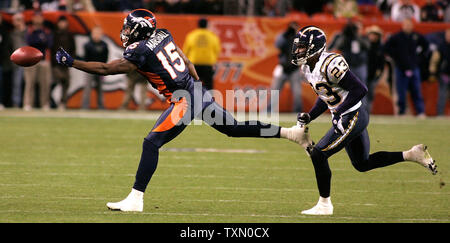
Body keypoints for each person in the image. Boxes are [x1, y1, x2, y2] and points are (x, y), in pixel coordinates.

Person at [56, 9, 311, 212]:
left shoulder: (139, 50)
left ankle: (136, 198)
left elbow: (105, 69)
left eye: (129, 27)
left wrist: (72, 62)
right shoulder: (163, 33)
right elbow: (185, 58)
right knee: (233, 128)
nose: (125, 31)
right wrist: (196, 82)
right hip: (195, 92)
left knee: (151, 143)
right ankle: (291, 134)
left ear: (139, 30)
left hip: (184, 101)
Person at [291, 26, 437, 215]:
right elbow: (326, 96)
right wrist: (310, 115)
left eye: (302, 47)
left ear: (314, 47)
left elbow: (360, 89)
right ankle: (411, 155)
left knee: (319, 154)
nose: (298, 51)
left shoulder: (330, 63)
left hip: (354, 115)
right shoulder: (308, 67)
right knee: (362, 164)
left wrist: (340, 113)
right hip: (348, 115)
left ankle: (324, 204)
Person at [384, 18, 428, 117]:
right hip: (401, 68)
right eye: (406, 25)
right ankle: (402, 111)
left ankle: (420, 112)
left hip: (414, 68)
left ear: (412, 26)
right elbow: (387, 48)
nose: (408, 27)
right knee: (401, 92)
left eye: (409, 25)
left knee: (416, 91)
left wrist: (419, 58)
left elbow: (426, 47)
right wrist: (396, 56)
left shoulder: (416, 36)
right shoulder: (397, 37)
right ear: (403, 25)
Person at [23, 10, 53, 111]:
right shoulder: (30, 30)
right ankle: (27, 103)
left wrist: (38, 41)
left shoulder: (47, 31)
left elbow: (49, 44)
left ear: (42, 19)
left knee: (45, 84)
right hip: (30, 60)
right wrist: (40, 41)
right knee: (29, 83)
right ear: (33, 18)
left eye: (40, 17)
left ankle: (45, 104)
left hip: (44, 60)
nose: (38, 19)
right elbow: (29, 42)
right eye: (36, 17)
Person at [270, 21, 303, 113]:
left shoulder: (300, 38)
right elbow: (278, 45)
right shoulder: (283, 36)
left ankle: (297, 112)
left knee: (297, 94)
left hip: (294, 69)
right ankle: (269, 111)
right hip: (282, 68)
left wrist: (295, 37)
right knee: (274, 92)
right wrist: (286, 35)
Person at [182, 18, 221, 90]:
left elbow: (186, 51)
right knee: (209, 86)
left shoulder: (192, 35)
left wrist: (186, 64)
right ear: (207, 25)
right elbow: (217, 50)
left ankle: (194, 100)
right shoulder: (213, 36)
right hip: (208, 64)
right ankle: (210, 100)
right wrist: (213, 61)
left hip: (194, 64)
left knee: (194, 85)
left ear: (198, 25)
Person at [51, 15, 75, 111]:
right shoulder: (55, 34)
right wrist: (54, 61)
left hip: (66, 64)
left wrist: (71, 61)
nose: (62, 24)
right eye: (61, 22)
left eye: (64, 22)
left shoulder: (70, 35)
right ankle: (50, 101)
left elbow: (73, 49)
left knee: (66, 83)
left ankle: (62, 102)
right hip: (56, 64)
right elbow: (51, 49)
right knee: (57, 80)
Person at [81, 26, 108, 110]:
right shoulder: (88, 45)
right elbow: (86, 58)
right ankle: (85, 106)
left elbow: (105, 58)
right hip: (89, 69)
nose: (96, 35)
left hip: (100, 69)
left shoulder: (104, 45)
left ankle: (101, 106)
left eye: (98, 33)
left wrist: (104, 70)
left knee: (100, 88)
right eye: (95, 33)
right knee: (87, 88)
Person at [365, 25, 386, 114]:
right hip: (363, 74)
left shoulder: (380, 48)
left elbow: (382, 62)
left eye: (375, 35)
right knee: (361, 94)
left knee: (370, 95)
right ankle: (361, 112)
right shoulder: (364, 46)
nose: (373, 36)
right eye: (372, 34)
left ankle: (368, 112)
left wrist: (380, 72)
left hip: (373, 74)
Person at [429, 28, 450, 116]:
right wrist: (432, 72)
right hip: (444, 75)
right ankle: (440, 114)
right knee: (442, 95)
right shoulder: (441, 46)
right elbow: (434, 59)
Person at [10, 12, 27, 108]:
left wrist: (23, 29)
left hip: (29, 60)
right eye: (15, 21)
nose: (16, 23)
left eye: (18, 20)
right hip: (17, 61)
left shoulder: (27, 31)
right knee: (16, 83)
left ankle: (27, 103)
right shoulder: (12, 33)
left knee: (29, 84)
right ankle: (16, 103)